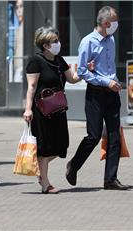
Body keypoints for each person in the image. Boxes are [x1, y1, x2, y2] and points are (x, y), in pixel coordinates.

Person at [65, 6, 130, 190]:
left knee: (114, 137)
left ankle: (110, 179)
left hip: (112, 94)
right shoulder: (88, 42)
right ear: (106, 23)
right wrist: (105, 82)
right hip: (95, 93)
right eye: (114, 21)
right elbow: (83, 71)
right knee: (93, 136)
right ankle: (73, 165)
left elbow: (109, 67)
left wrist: (115, 82)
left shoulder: (111, 40)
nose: (117, 25)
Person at [23, 26, 81, 194]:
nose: (58, 43)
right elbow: (31, 87)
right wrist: (28, 109)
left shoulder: (59, 60)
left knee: (61, 145)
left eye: (58, 40)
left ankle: (41, 169)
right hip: (41, 111)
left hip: (58, 109)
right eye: (55, 41)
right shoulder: (36, 61)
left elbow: (72, 79)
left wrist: (86, 70)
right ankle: (45, 183)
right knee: (45, 146)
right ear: (45, 44)